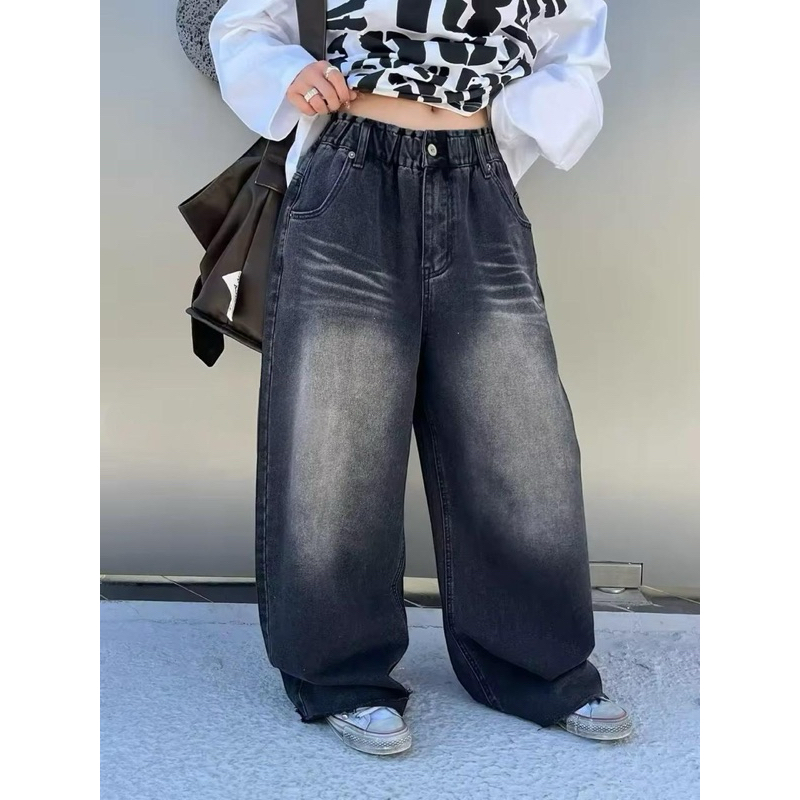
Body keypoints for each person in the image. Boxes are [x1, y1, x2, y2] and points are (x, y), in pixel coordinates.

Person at [209, 0, 631, 755]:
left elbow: (575, 46)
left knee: (519, 438)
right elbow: (241, 24)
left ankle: (534, 666)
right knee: (336, 439)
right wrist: (288, 75)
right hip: (350, 169)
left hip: (477, 178)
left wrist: (500, 128)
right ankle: (340, 675)